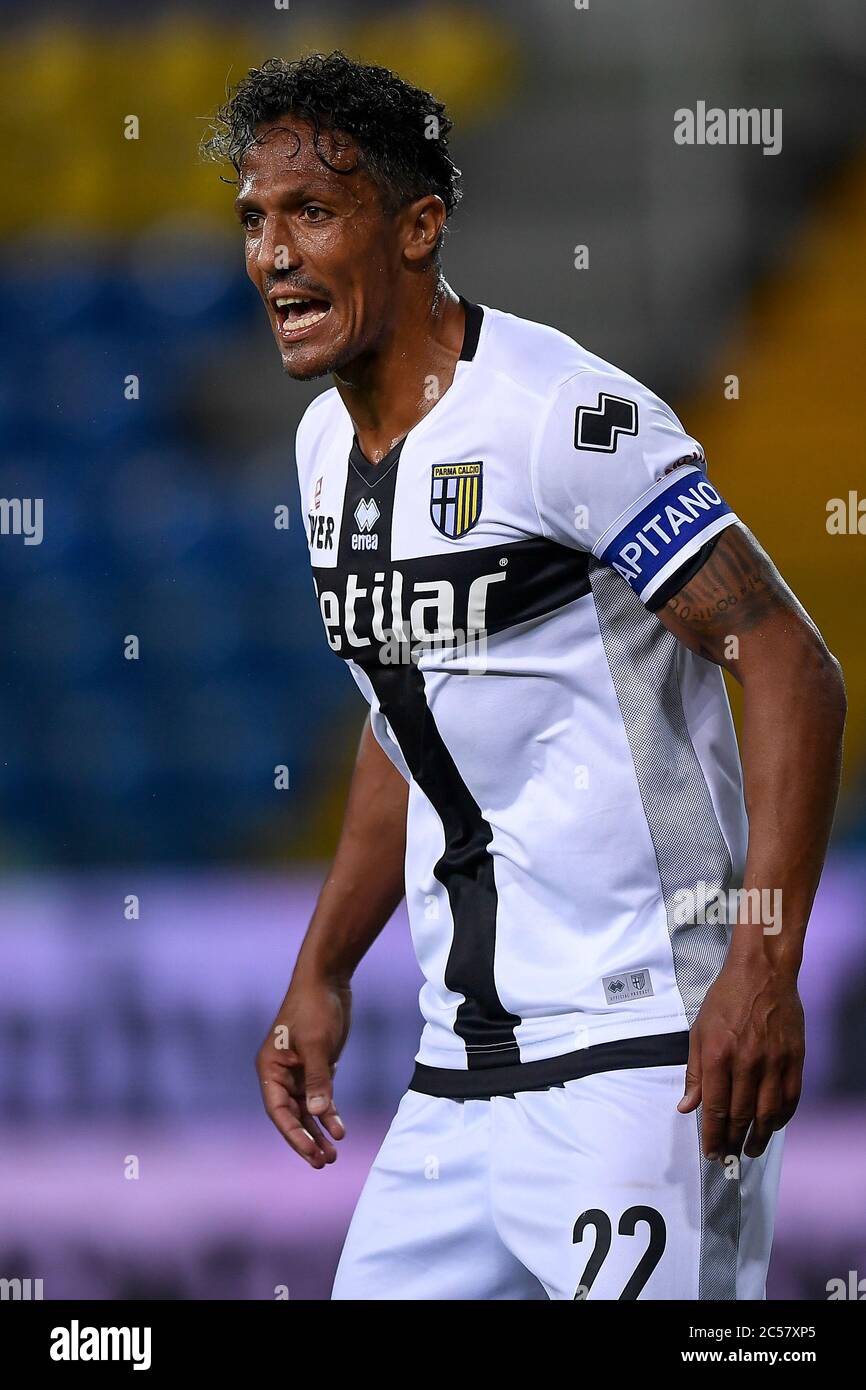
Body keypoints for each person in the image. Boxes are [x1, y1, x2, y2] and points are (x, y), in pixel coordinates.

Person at [205, 52, 846, 1299]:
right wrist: (323, 969)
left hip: (641, 1059)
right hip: (454, 1083)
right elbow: (413, 713)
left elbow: (783, 660)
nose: (272, 254)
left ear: (417, 227)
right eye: (254, 219)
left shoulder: (562, 416)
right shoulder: (323, 447)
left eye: (311, 213)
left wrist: (761, 966)